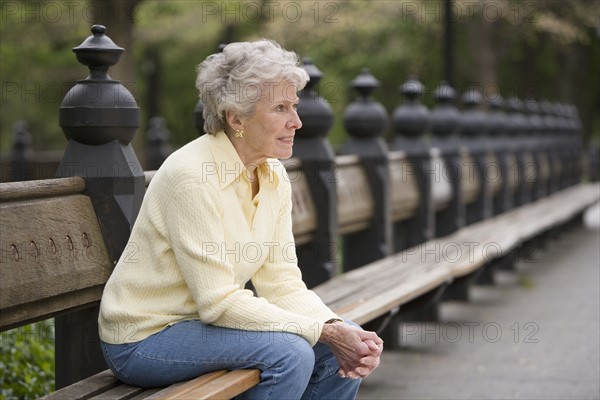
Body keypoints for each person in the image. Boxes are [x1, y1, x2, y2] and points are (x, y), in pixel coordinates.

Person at [98, 39, 383, 400]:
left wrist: (333, 326)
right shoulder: (192, 176)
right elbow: (218, 302)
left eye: (293, 106)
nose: (296, 121)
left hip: (204, 324)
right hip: (144, 336)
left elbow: (281, 283)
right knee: (291, 353)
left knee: (343, 339)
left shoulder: (273, 175)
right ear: (236, 119)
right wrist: (321, 332)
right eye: (280, 108)